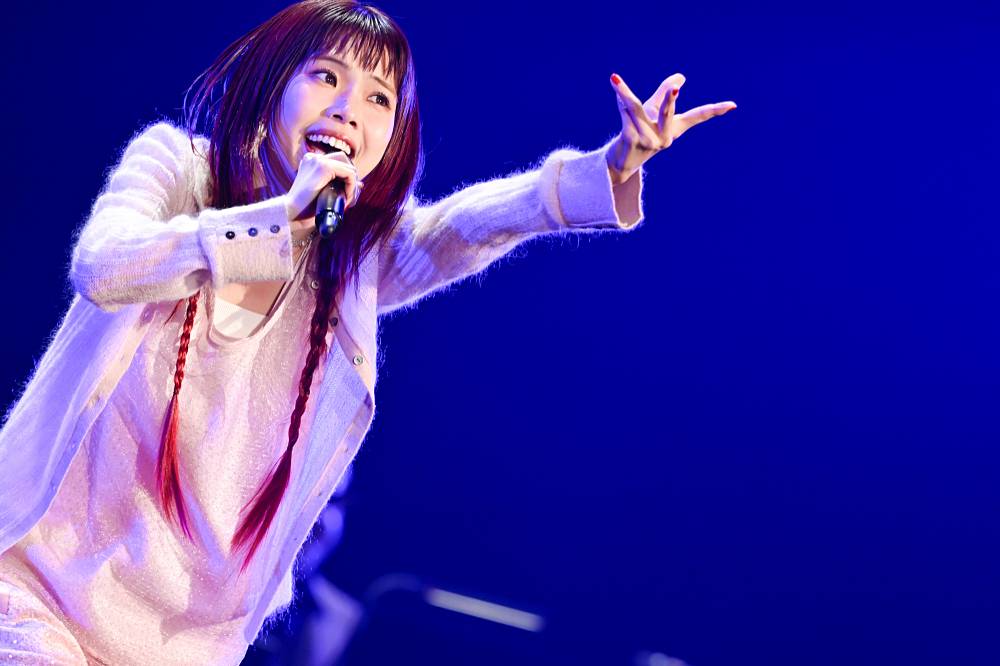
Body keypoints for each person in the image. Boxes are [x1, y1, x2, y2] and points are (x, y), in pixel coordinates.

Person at [0, 1, 736, 663]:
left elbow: (464, 226)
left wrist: (614, 164)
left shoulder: (353, 261)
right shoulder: (177, 166)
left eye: (379, 97)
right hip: (39, 595)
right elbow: (104, 264)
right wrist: (279, 220)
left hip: (187, 642)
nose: (348, 109)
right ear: (272, 85)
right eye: (326, 77)